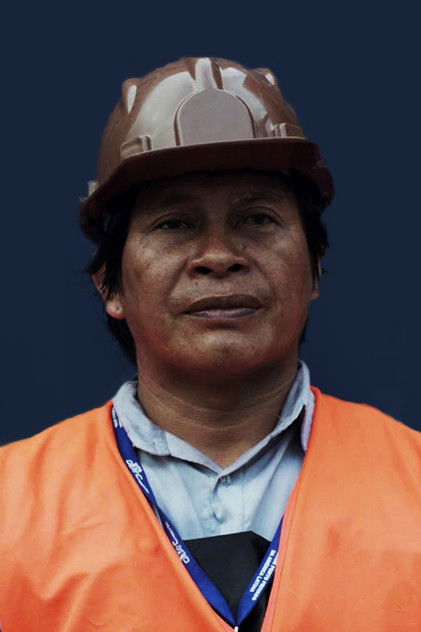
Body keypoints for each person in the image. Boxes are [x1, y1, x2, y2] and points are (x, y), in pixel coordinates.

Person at [0, 57, 420, 632]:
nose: (219, 256)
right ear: (109, 285)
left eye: (257, 219)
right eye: (175, 224)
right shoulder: (9, 506)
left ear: (315, 269)